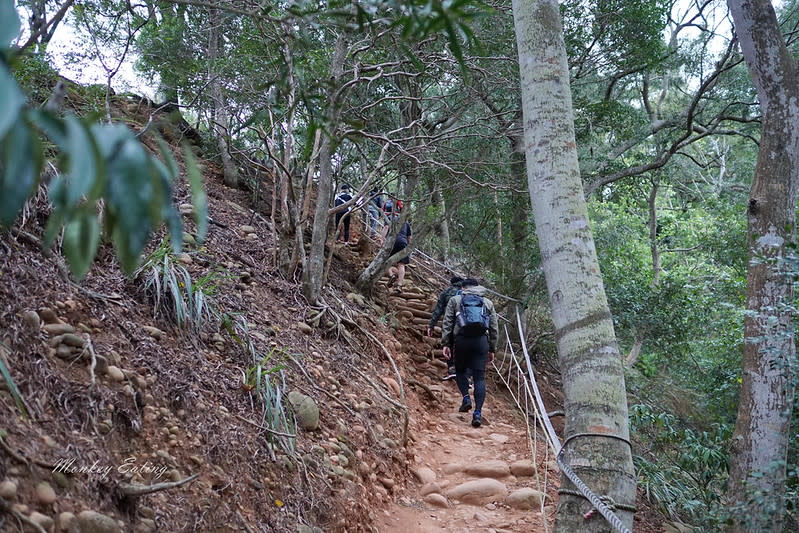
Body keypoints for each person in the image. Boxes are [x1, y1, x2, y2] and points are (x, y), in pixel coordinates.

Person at [440, 278, 498, 428]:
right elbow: (493, 328)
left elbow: (447, 322)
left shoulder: (455, 300)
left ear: (463, 287)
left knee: (460, 371)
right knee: (479, 378)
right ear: (477, 287)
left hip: (462, 341)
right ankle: (478, 413)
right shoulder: (487, 302)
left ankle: (466, 398)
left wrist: (446, 343)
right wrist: (492, 348)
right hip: (481, 342)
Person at [427, 276, 464, 380]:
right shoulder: (469, 293)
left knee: (449, 344)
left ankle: (452, 368)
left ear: (452, 283)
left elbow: (438, 310)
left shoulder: (446, 292)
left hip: (450, 323)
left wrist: (432, 325)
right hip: (465, 324)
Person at [386, 215, 412, 293]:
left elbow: (386, 227)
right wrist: (409, 248)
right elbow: (409, 237)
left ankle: (391, 275)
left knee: (386, 261)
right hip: (403, 243)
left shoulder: (390, 218)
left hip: (392, 241)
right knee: (401, 264)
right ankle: (399, 285)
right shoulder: (406, 223)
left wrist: (382, 239)